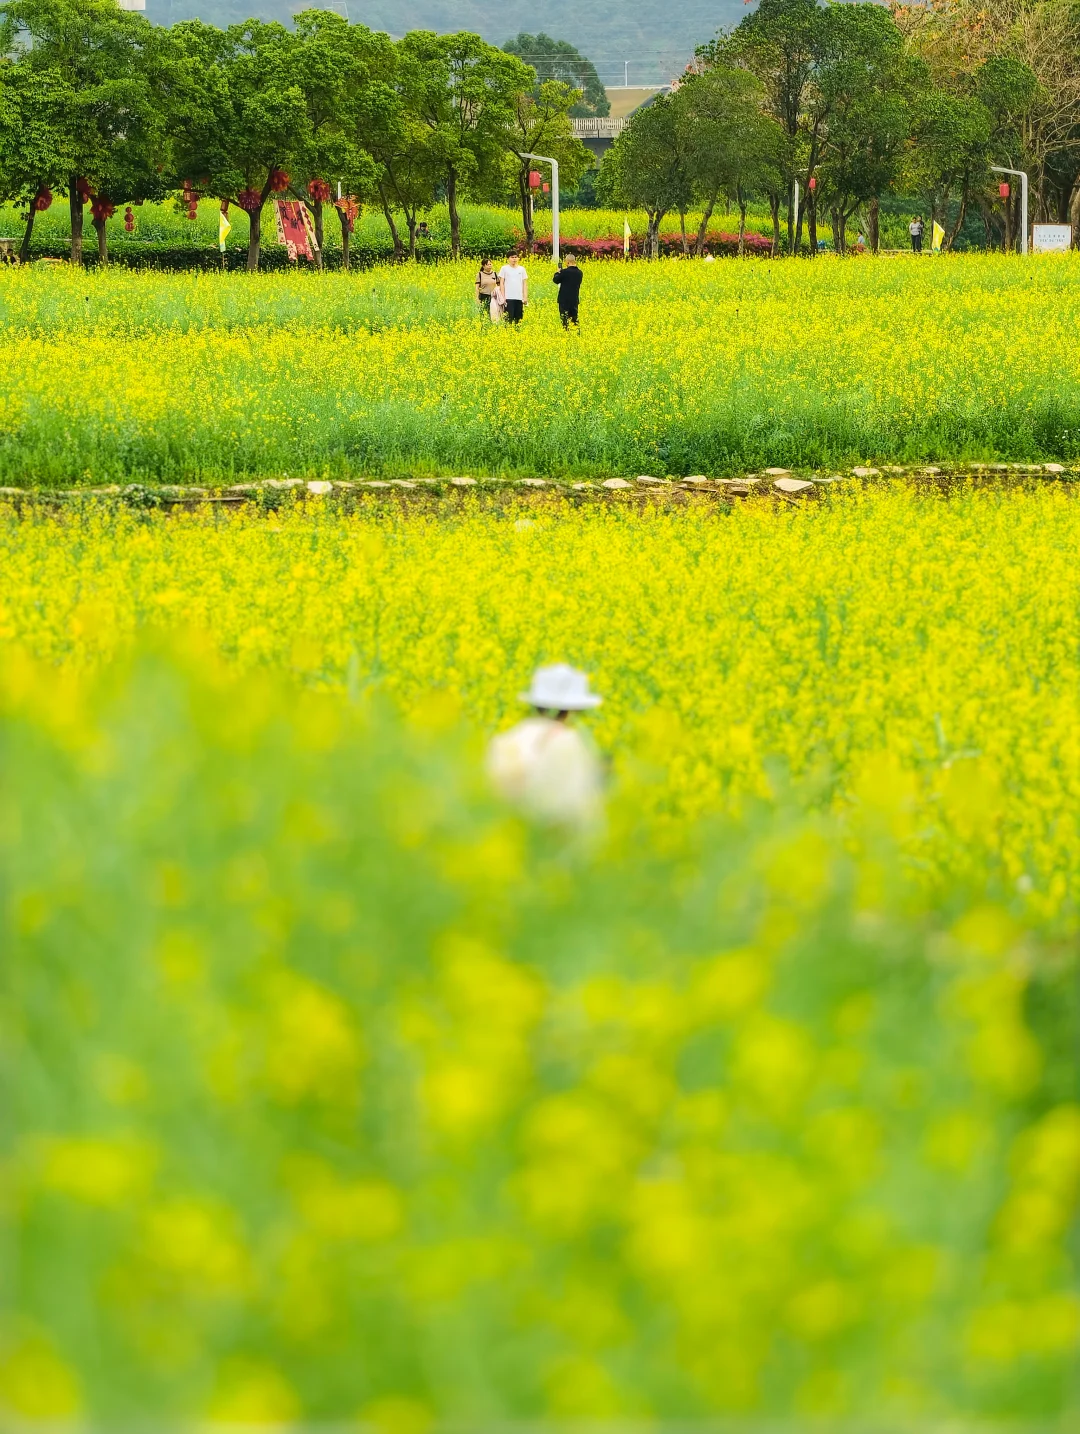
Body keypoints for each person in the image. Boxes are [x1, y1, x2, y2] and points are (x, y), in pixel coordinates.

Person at [487, 664, 604, 827]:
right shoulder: (569, 741)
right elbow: (582, 809)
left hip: (506, 838)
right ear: (573, 710)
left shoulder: (503, 739)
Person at [552, 252, 583, 329]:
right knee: (574, 319)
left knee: (565, 320)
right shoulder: (580, 273)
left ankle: (566, 333)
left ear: (568, 262)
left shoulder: (564, 272)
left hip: (564, 300)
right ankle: (576, 333)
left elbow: (556, 280)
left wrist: (557, 272)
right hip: (574, 300)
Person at [497, 254, 528, 324]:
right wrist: (503, 296)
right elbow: (501, 283)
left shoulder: (522, 269)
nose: (514, 259)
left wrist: (525, 297)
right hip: (508, 298)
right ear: (508, 258)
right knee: (508, 320)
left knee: (518, 320)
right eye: (512, 257)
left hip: (519, 298)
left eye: (516, 257)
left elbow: (524, 284)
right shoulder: (504, 268)